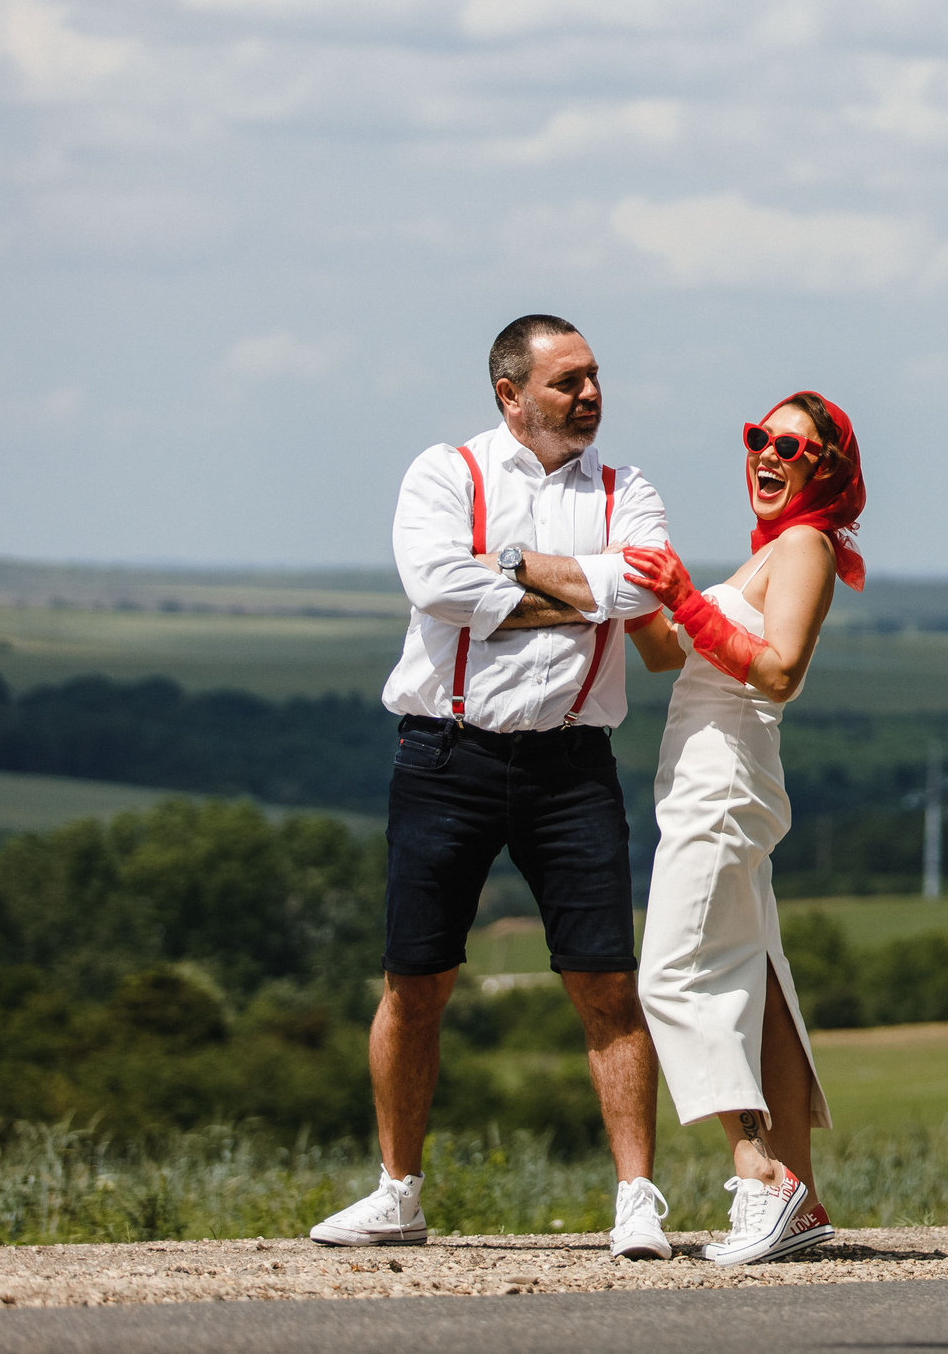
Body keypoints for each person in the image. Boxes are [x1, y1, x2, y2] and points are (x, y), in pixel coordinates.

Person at [311, 314, 675, 1259]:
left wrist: (509, 567)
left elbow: (644, 588)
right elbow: (436, 584)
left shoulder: (625, 485)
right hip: (447, 755)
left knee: (605, 979)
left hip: (571, 763)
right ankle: (397, 1191)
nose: (590, 395)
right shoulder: (445, 472)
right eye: (567, 382)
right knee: (415, 977)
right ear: (509, 395)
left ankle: (637, 1195)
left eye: (594, 377)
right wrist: (576, 593)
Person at [624, 389, 865, 1265]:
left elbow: (780, 670)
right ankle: (800, 1200)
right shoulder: (769, 552)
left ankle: (761, 1176)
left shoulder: (805, 545)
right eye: (759, 437)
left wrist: (687, 598)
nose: (768, 454)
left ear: (825, 468)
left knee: (673, 974)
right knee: (757, 978)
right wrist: (630, 580)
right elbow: (661, 651)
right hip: (713, 777)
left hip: (723, 779)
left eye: (792, 447)